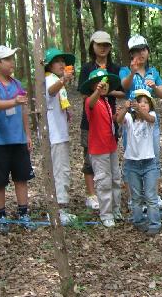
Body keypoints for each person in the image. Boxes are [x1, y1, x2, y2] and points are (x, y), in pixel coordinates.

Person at [0, 45, 35, 233]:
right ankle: (1, 216)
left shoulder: (17, 84)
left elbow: (23, 110)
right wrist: (14, 101)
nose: (12, 62)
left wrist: (27, 134)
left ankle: (23, 213)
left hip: (18, 139)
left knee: (21, 177)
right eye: (8, 59)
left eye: (12, 58)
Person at [119, 34, 162, 210]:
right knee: (132, 157)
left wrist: (154, 86)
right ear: (131, 53)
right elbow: (124, 86)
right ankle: (134, 199)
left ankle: (153, 196)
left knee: (153, 156)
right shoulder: (125, 70)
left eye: (143, 49)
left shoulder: (153, 72)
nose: (141, 53)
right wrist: (133, 71)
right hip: (131, 119)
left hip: (150, 119)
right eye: (136, 50)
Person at [78, 31, 124, 210]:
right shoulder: (87, 68)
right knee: (89, 158)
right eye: (99, 44)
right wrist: (97, 93)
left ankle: (113, 201)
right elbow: (83, 93)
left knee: (111, 157)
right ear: (93, 46)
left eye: (106, 45)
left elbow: (122, 91)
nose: (103, 48)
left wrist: (107, 91)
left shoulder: (115, 68)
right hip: (91, 118)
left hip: (110, 116)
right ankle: (91, 194)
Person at [80, 68, 123, 227]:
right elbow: (90, 103)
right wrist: (97, 92)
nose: (102, 85)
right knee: (103, 181)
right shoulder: (91, 101)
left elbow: (112, 120)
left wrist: (122, 110)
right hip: (98, 149)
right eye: (98, 83)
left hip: (111, 145)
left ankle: (116, 208)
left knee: (115, 178)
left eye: (104, 83)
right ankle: (106, 214)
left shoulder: (106, 101)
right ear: (92, 86)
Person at [117, 89, 162, 234]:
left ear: (150, 106)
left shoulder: (152, 117)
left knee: (150, 195)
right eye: (140, 102)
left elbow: (149, 119)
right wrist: (125, 108)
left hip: (149, 163)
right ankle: (138, 220)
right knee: (135, 197)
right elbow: (118, 120)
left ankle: (154, 223)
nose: (143, 105)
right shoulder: (130, 119)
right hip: (132, 163)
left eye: (146, 103)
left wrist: (138, 109)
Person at [44, 47, 77, 225]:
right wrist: (64, 79)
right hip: (55, 135)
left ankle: (58, 209)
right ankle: (58, 211)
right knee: (60, 171)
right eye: (57, 61)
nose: (62, 64)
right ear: (49, 64)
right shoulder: (50, 79)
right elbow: (50, 91)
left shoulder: (56, 80)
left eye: (63, 61)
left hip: (60, 133)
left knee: (61, 170)